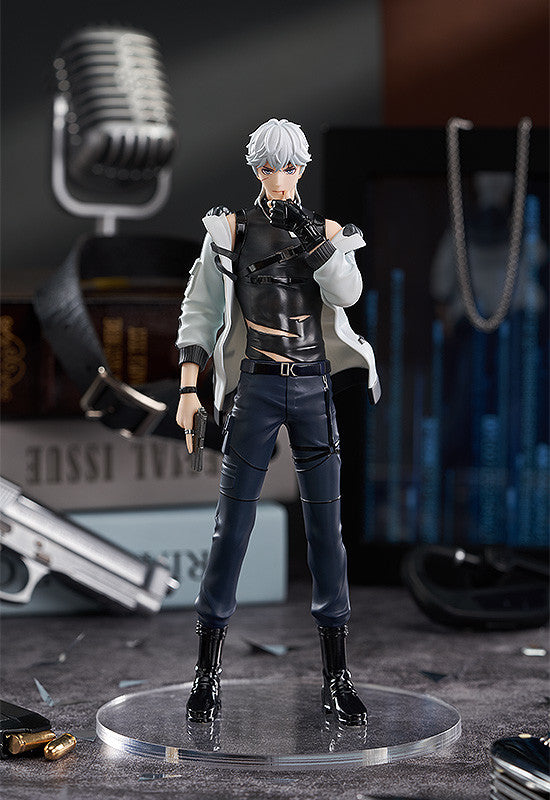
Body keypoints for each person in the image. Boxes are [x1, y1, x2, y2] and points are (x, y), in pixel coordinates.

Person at [175, 119, 380, 726]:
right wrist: (188, 389)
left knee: (326, 535)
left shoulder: (329, 232)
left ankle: (337, 677)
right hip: (258, 387)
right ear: (256, 169)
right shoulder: (230, 232)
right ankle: (206, 673)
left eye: (289, 167)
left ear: (303, 168)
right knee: (231, 530)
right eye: (269, 168)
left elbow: (347, 293)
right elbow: (199, 310)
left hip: (314, 387)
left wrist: (316, 239)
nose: (279, 178)